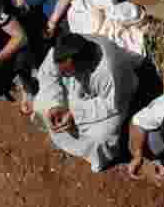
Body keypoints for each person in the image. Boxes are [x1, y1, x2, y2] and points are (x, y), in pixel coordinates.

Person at [34, 33, 141, 173]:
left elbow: (111, 105)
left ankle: (101, 158)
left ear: (83, 63)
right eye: (64, 72)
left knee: (102, 137)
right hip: (78, 91)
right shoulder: (62, 51)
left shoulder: (111, 71)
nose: (65, 74)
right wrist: (55, 104)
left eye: (68, 72)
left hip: (115, 100)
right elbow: (48, 74)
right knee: (42, 104)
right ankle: (63, 138)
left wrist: (75, 114)